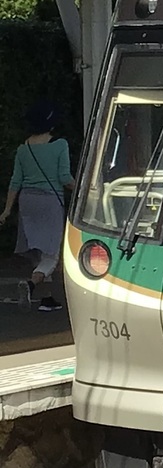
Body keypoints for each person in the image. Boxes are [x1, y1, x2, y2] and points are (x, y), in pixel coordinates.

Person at [0, 102, 74, 311]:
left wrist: (6, 210)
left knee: (38, 251)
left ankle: (47, 299)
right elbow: (64, 177)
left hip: (27, 201)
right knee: (51, 254)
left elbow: (16, 181)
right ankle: (31, 284)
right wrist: (84, 190)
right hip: (50, 201)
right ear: (50, 124)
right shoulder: (60, 145)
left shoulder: (24, 148)